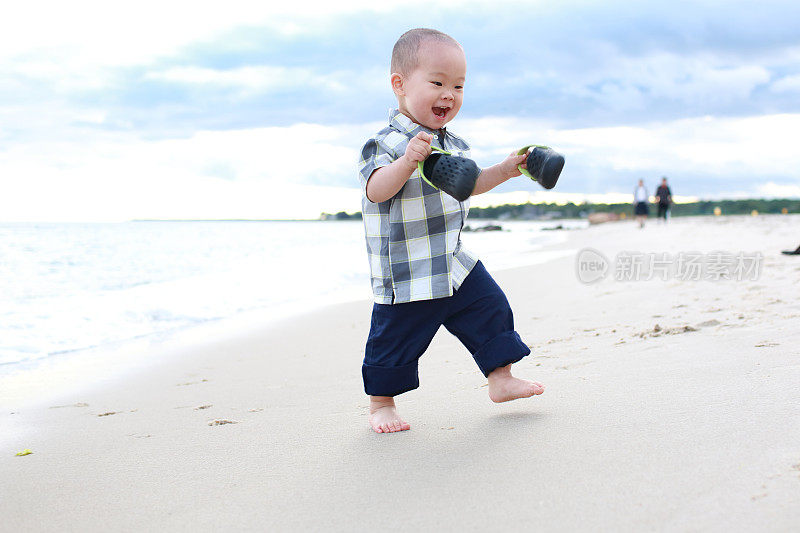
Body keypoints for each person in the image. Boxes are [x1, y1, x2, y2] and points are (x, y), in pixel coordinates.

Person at [358, 28, 544, 434]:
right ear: (400, 85)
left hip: (453, 259)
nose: (449, 94)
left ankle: (500, 378)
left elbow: (471, 182)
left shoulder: (454, 143)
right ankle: (381, 403)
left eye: (458, 86)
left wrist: (506, 169)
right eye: (438, 82)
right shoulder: (385, 143)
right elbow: (375, 190)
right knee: (393, 339)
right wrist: (407, 162)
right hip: (407, 270)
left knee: (491, 306)